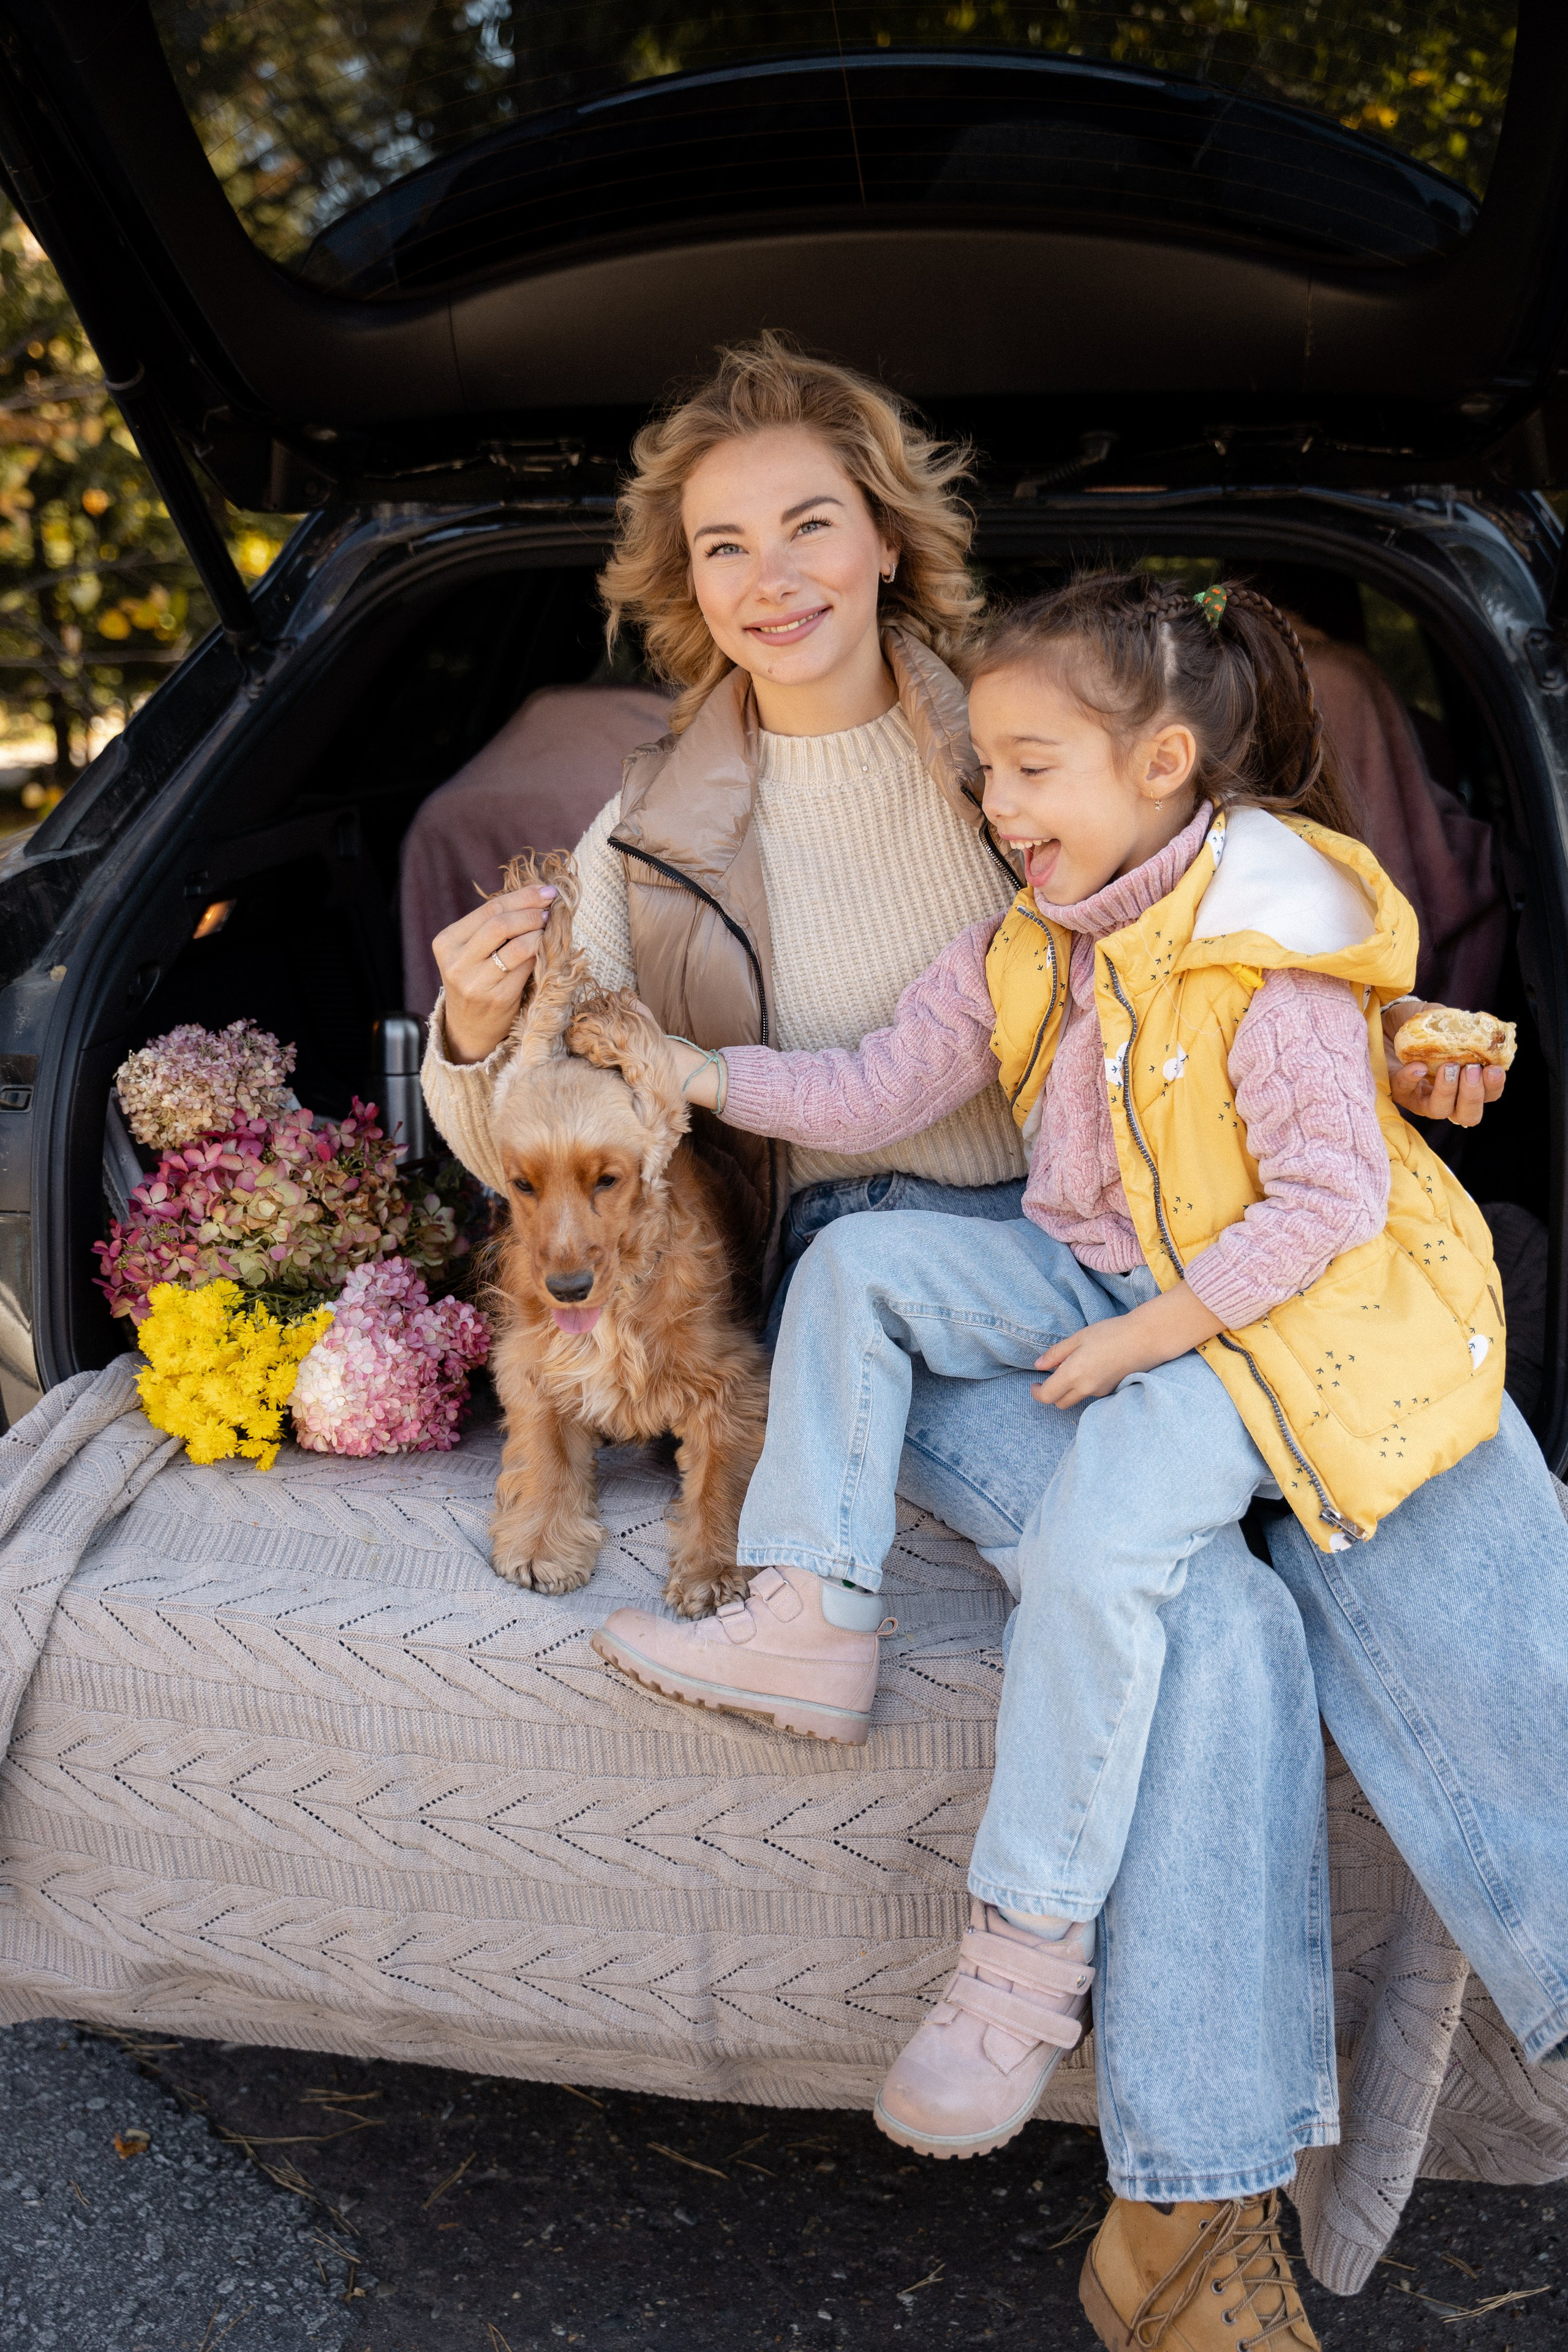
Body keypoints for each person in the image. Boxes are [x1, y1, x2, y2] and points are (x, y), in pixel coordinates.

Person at [422, 345, 1562, 2352]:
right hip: (891, 1268)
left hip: (1178, 1237)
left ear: (888, 537)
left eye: (811, 522)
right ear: (683, 584)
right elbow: (545, 1113)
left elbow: (1239, 939)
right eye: (722, 545)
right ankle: (1190, 2225)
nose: (773, 575)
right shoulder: (645, 833)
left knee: (1453, 1513)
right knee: (1206, 1614)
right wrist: (460, 1028)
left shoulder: (1038, 728)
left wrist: (1400, 1043)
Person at [593, 564, 1509, 2143]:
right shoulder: (1034, 941)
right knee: (859, 1261)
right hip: (1095, 1275)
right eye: (987, 770)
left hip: (1254, 1331)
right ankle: (809, 1614)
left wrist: (1148, 1338)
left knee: (1096, 1546)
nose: (997, 803)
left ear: (1161, 765)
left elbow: (1328, 1208)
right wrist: (693, 1072)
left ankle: (1017, 1971)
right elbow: (878, 1087)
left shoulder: (1267, 951)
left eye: (1030, 769)